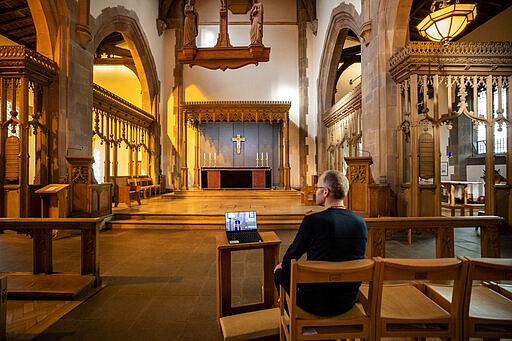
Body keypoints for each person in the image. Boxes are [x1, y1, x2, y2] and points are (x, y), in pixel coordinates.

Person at [274, 170, 367, 316]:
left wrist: (282, 267)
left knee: (279, 272)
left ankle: (298, 319)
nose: (315, 191)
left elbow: (289, 259)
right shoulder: (360, 222)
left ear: (325, 192)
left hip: (316, 302)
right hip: (347, 300)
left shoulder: (313, 221)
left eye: (317, 188)